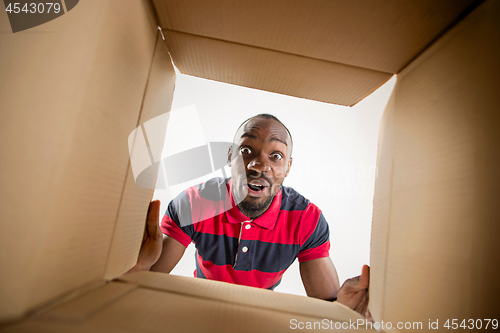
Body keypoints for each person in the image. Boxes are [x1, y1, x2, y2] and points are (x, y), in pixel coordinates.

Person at [128, 114, 370, 318]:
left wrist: (343, 310)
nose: (257, 165)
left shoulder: (307, 219)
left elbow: (326, 309)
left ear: (288, 167)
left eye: (275, 156)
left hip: (260, 317)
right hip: (200, 309)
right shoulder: (195, 203)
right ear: (230, 156)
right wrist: (140, 265)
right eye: (246, 150)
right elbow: (144, 286)